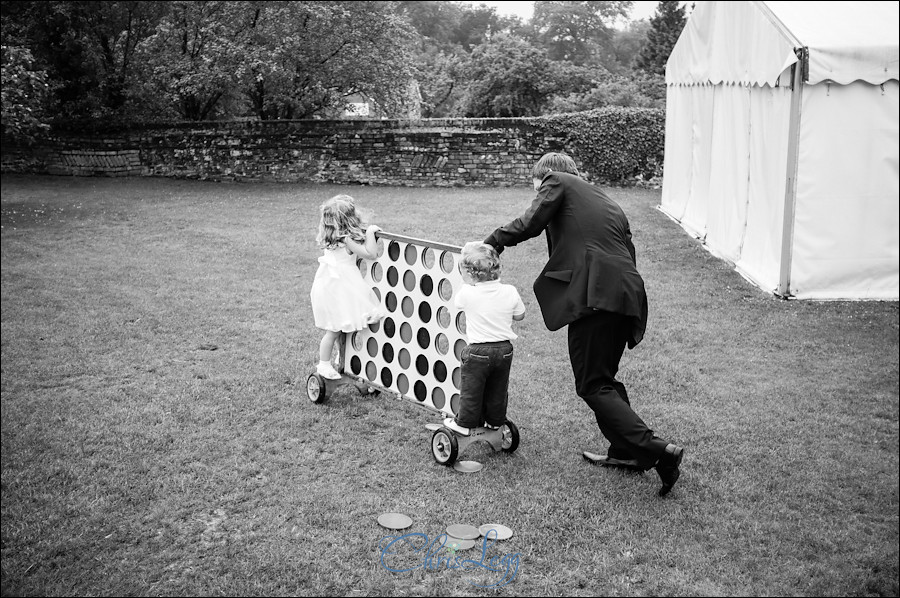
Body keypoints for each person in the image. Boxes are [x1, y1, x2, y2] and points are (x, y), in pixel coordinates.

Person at [483, 152, 685, 496]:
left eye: (537, 187)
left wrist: (492, 242)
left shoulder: (557, 181)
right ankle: (626, 453)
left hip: (597, 295)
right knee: (603, 379)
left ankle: (656, 450)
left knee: (592, 384)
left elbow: (531, 221)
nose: (538, 193)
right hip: (625, 294)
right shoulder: (606, 201)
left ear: (547, 176)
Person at [443, 242, 526, 436]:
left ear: (471, 275)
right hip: (504, 350)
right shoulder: (510, 291)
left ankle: (464, 423)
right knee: (498, 388)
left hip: (478, 352)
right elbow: (520, 315)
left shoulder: (467, 293)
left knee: (472, 389)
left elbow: (458, 304)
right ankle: (496, 421)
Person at [310, 195, 385, 380]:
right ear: (349, 219)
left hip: (330, 286)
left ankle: (342, 358)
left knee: (341, 326)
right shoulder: (346, 240)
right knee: (334, 330)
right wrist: (370, 234)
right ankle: (324, 365)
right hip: (343, 288)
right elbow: (371, 253)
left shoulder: (331, 239)